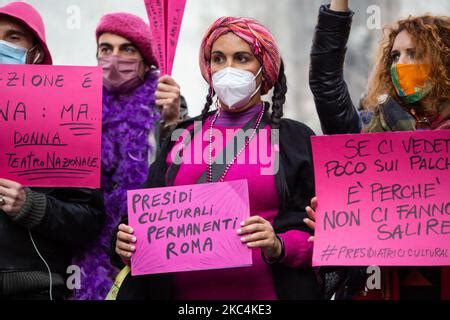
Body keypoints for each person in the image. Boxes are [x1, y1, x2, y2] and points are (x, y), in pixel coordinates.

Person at [111, 16, 321, 300]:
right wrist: (124, 242)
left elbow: (321, 234)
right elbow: (141, 220)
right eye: (219, 58)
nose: (228, 69)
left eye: (242, 58)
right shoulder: (181, 136)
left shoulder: (295, 140)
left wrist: (279, 244)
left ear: (265, 69)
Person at [308, 0, 449, 300]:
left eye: (415, 54)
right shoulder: (369, 128)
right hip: (378, 288)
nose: (401, 64)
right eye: (395, 56)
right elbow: (326, 84)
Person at [71, 12, 188, 300]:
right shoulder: (75, 107)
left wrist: (171, 122)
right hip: (85, 250)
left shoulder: (166, 106)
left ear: (146, 61)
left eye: (127, 49)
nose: (114, 58)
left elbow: (182, 178)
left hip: (144, 249)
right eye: (106, 49)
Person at [0, 2, 104, 300]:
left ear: (36, 54)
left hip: (33, 288)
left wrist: (32, 207)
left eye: (13, 37)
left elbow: (89, 220)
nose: (1, 45)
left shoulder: (66, 118)